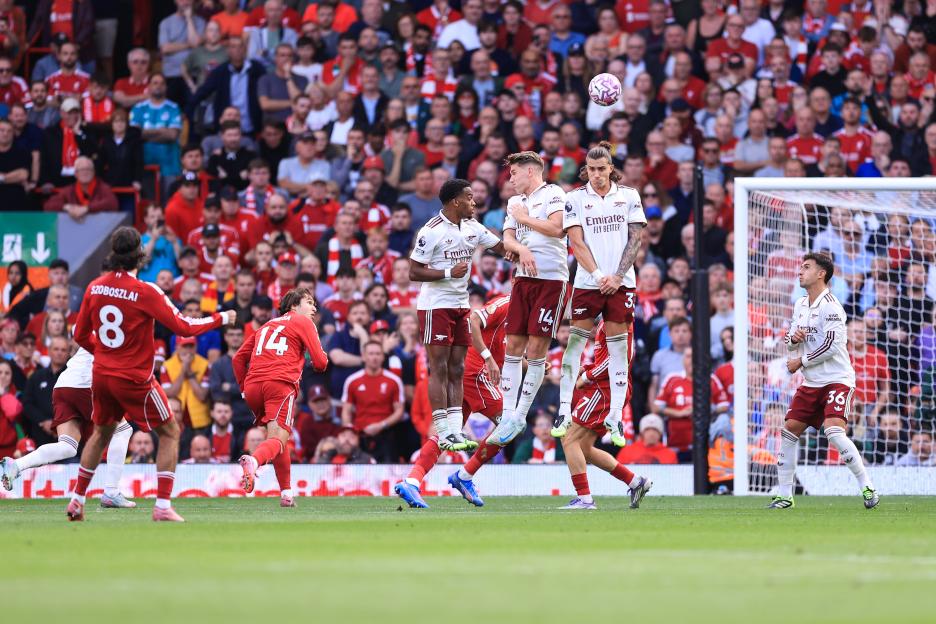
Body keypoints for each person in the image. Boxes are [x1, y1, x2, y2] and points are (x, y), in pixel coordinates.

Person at [67, 227, 235, 522]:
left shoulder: (94, 287)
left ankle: (77, 500)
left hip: (103, 375)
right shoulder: (146, 291)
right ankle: (162, 506)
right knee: (170, 432)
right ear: (140, 255)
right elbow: (183, 327)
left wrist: (106, 354)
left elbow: (79, 335)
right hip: (134, 378)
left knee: (101, 433)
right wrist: (221, 317)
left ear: (113, 252)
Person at [552, 141, 645, 448]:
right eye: (591, 169)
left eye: (601, 169)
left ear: (610, 168)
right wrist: (598, 276)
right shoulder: (575, 198)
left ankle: (615, 416)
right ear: (586, 170)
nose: (596, 174)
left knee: (619, 349)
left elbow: (635, 239)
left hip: (622, 283)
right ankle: (563, 410)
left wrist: (616, 277)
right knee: (575, 343)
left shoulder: (629, 196)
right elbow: (576, 243)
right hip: (588, 283)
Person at [769, 252, 879, 510]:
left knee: (833, 431)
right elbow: (790, 339)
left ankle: (867, 486)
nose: (800, 271)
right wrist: (793, 340)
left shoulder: (831, 306)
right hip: (812, 382)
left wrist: (801, 361)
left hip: (837, 379)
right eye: (800, 267)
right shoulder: (800, 304)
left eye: (806, 267)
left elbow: (832, 346)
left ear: (821, 274)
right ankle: (785, 496)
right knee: (789, 431)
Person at [410, 178, 505, 452]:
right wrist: (448, 272)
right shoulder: (431, 231)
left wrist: (526, 243)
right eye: (469, 197)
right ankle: (443, 432)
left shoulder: (473, 227)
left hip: (461, 305)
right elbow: (414, 271)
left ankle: (456, 431)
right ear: (455, 201)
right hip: (435, 305)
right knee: (439, 367)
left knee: (458, 368)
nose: (474, 202)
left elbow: (501, 248)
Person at [396, 294, 511, 508]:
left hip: (470, 374)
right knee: (510, 424)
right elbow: (473, 320)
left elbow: (509, 353)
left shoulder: (527, 312)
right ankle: (465, 475)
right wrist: (488, 359)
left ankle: (412, 481)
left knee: (449, 433)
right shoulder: (506, 303)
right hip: (474, 372)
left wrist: (535, 365)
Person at [486, 151, 567, 449]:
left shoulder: (554, 194)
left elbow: (557, 228)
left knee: (535, 350)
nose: (510, 179)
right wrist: (520, 249)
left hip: (550, 279)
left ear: (530, 171)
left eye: (514, 173)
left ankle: (520, 415)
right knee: (513, 346)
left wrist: (525, 219)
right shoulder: (514, 202)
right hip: (522, 278)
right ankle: (508, 416)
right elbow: (507, 238)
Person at [1, 345, 136, 508]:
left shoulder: (99, 330)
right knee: (123, 430)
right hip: (86, 384)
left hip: (63, 384)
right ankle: (111, 492)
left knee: (68, 447)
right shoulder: (124, 332)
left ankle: (16, 465)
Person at [233, 288, 328, 508]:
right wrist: (319, 359)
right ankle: (254, 460)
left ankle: (286, 494)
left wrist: (244, 389)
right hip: (279, 384)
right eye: (309, 302)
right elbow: (321, 362)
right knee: (278, 438)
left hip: (253, 387)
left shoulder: (265, 326)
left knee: (278, 439)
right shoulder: (303, 322)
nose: (314, 308)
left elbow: (238, 359)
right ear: (294, 306)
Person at [557, 321, 652, 509]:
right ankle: (635, 482)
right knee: (583, 447)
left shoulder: (613, 319)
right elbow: (611, 356)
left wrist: (587, 376)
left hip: (604, 389)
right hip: (608, 388)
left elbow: (616, 360)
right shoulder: (611, 319)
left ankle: (585, 500)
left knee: (568, 438)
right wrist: (589, 367)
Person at [340, 340, 404, 462]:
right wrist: (349, 431)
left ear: (383, 357)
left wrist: (381, 425)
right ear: (363, 356)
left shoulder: (394, 381)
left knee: (388, 469)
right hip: (360, 435)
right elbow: (346, 410)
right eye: (371, 353)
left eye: (378, 354)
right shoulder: (352, 381)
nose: (374, 357)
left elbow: (399, 411)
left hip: (386, 434)